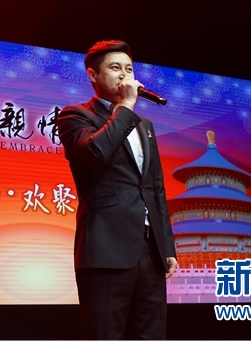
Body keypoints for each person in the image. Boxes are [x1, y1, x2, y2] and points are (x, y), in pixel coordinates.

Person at [57, 40, 177, 339]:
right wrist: (125, 106)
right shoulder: (75, 116)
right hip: (106, 248)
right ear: (93, 75)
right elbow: (96, 151)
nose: (125, 75)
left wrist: (166, 246)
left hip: (149, 250)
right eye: (115, 68)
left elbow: (155, 188)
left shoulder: (144, 124)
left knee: (151, 334)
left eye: (129, 69)